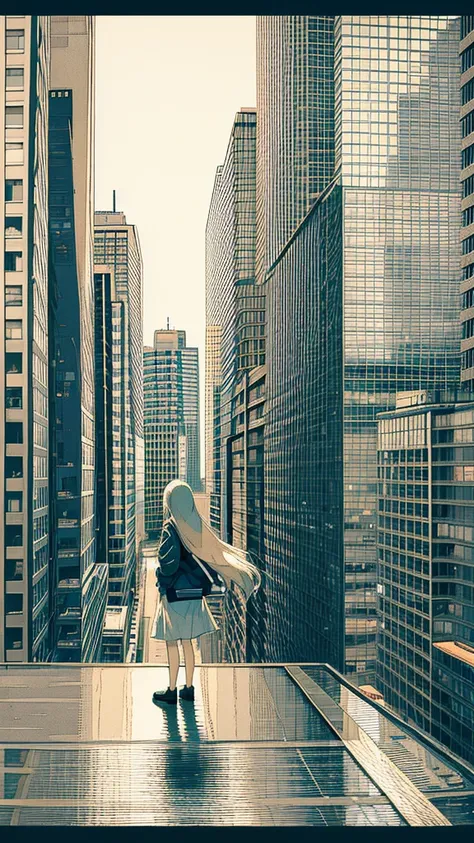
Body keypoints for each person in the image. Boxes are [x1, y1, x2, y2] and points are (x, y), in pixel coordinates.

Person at [151, 479, 261, 705]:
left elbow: (168, 565)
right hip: (194, 594)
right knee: (188, 643)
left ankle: (171, 690)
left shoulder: (171, 528)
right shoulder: (196, 525)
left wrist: (161, 576)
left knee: (173, 642)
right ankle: (188, 688)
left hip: (174, 595)